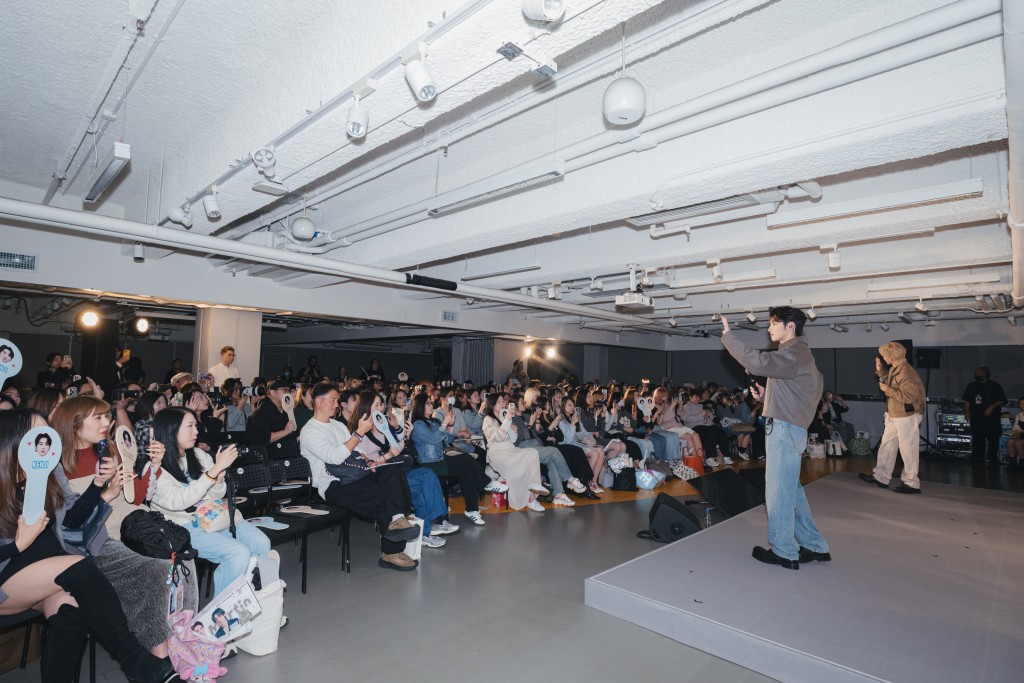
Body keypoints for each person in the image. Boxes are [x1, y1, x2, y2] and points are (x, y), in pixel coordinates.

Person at [0, 410, 181, 683]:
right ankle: (134, 659)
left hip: (46, 577)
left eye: (48, 433)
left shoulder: (50, 470)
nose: (46, 441)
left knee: (69, 611)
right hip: (7, 583)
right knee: (78, 566)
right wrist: (16, 546)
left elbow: (71, 520)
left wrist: (97, 486)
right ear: (14, 440)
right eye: (37, 435)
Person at [50, 397, 199, 655]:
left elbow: (135, 498)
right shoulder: (59, 467)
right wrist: (106, 492)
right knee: (158, 569)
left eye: (107, 416)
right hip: (100, 536)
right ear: (73, 425)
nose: (107, 422)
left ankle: (186, 637)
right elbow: (71, 526)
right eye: (98, 417)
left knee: (182, 555)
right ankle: (160, 653)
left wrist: (153, 466)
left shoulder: (110, 450)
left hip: (134, 524)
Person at [721, 306, 830, 570]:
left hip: (783, 428)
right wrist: (766, 393)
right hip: (791, 427)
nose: (769, 329)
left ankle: (784, 550)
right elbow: (798, 390)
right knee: (791, 489)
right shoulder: (801, 356)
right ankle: (814, 545)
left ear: (790, 326)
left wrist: (729, 336)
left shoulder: (794, 352)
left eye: (773, 323)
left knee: (779, 490)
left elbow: (759, 362)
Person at [149, 407, 270, 595]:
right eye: (190, 426)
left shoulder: (198, 455)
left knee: (261, 543)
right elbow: (177, 502)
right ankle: (220, 614)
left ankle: (260, 599)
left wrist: (219, 477)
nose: (196, 432)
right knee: (237, 553)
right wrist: (212, 473)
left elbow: (216, 495)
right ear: (171, 429)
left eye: (196, 426)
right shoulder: (155, 467)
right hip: (183, 526)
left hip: (211, 516)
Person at [300, 384, 421, 571]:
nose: (335, 405)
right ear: (318, 401)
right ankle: (392, 548)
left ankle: (397, 520)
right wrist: (359, 432)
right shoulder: (309, 431)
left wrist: (371, 462)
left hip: (355, 473)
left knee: (392, 472)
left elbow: (356, 452)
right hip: (332, 484)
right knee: (383, 493)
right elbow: (334, 457)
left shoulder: (338, 425)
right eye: (332, 400)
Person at [410, 392, 498, 526]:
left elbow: (448, 440)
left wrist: (450, 425)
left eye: (430, 402)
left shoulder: (434, 422)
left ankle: (472, 510)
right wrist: (445, 424)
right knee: (465, 459)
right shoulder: (418, 425)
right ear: (420, 406)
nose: (430, 405)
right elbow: (433, 439)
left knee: (467, 472)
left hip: (440, 460)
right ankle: (487, 483)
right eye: (427, 403)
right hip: (429, 464)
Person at [859, 342, 926, 494]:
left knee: (908, 449)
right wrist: (881, 372)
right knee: (887, 446)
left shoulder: (907, 373)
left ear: (891, 355)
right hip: (894, 414)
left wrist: (887, 389)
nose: (883, 358)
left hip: (906, 416)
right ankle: (881, 476)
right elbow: (891, 384)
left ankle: (912, 483)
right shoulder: (896, 369)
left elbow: (909, 396)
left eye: (884, 356)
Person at [482, 393, 547, 512]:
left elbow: (512, 440)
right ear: (492, 405)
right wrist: (507, 421)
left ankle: (534, 488)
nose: (503, 404)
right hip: (498, 454)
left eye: (503, 401)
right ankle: (531, 499)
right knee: (525, 461)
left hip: (510, 450)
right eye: (499, 402)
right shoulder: (488, 420)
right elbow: (497, 437)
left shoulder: (503, 418)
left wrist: (514, 430)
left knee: (532, 453)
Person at [961, 367, 1006, 464]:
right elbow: (967, 400)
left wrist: (992, 406)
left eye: (980, 373)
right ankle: (978, 457)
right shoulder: (972, 386)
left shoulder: (994, 386)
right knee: (977, 437)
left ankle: (992, 458)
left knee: (992, 438)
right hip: (976, 417)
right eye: (976, 373)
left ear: (986, 374)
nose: (978, 375)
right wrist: (966, 412)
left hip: (991, 417)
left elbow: (1002, 400)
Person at [247, 379, 300, 460]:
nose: (288, 393)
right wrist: (285, 431)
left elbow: (295, 434)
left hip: (290, 455)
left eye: (289, 390)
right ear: (272, 393)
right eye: (284, 390)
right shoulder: (260, 413)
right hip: (270, 458)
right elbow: (261, 438)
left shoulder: (287, 410)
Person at [1007, 397, 1024, 467]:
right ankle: (1012, 463)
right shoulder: (1019, 415)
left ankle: (1022, 463)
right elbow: (1015, 429)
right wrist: (1015, 433)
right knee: (1010, 441)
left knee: (1018, 442)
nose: (1022, 405)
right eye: (1020, 404)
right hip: (1021, 435)